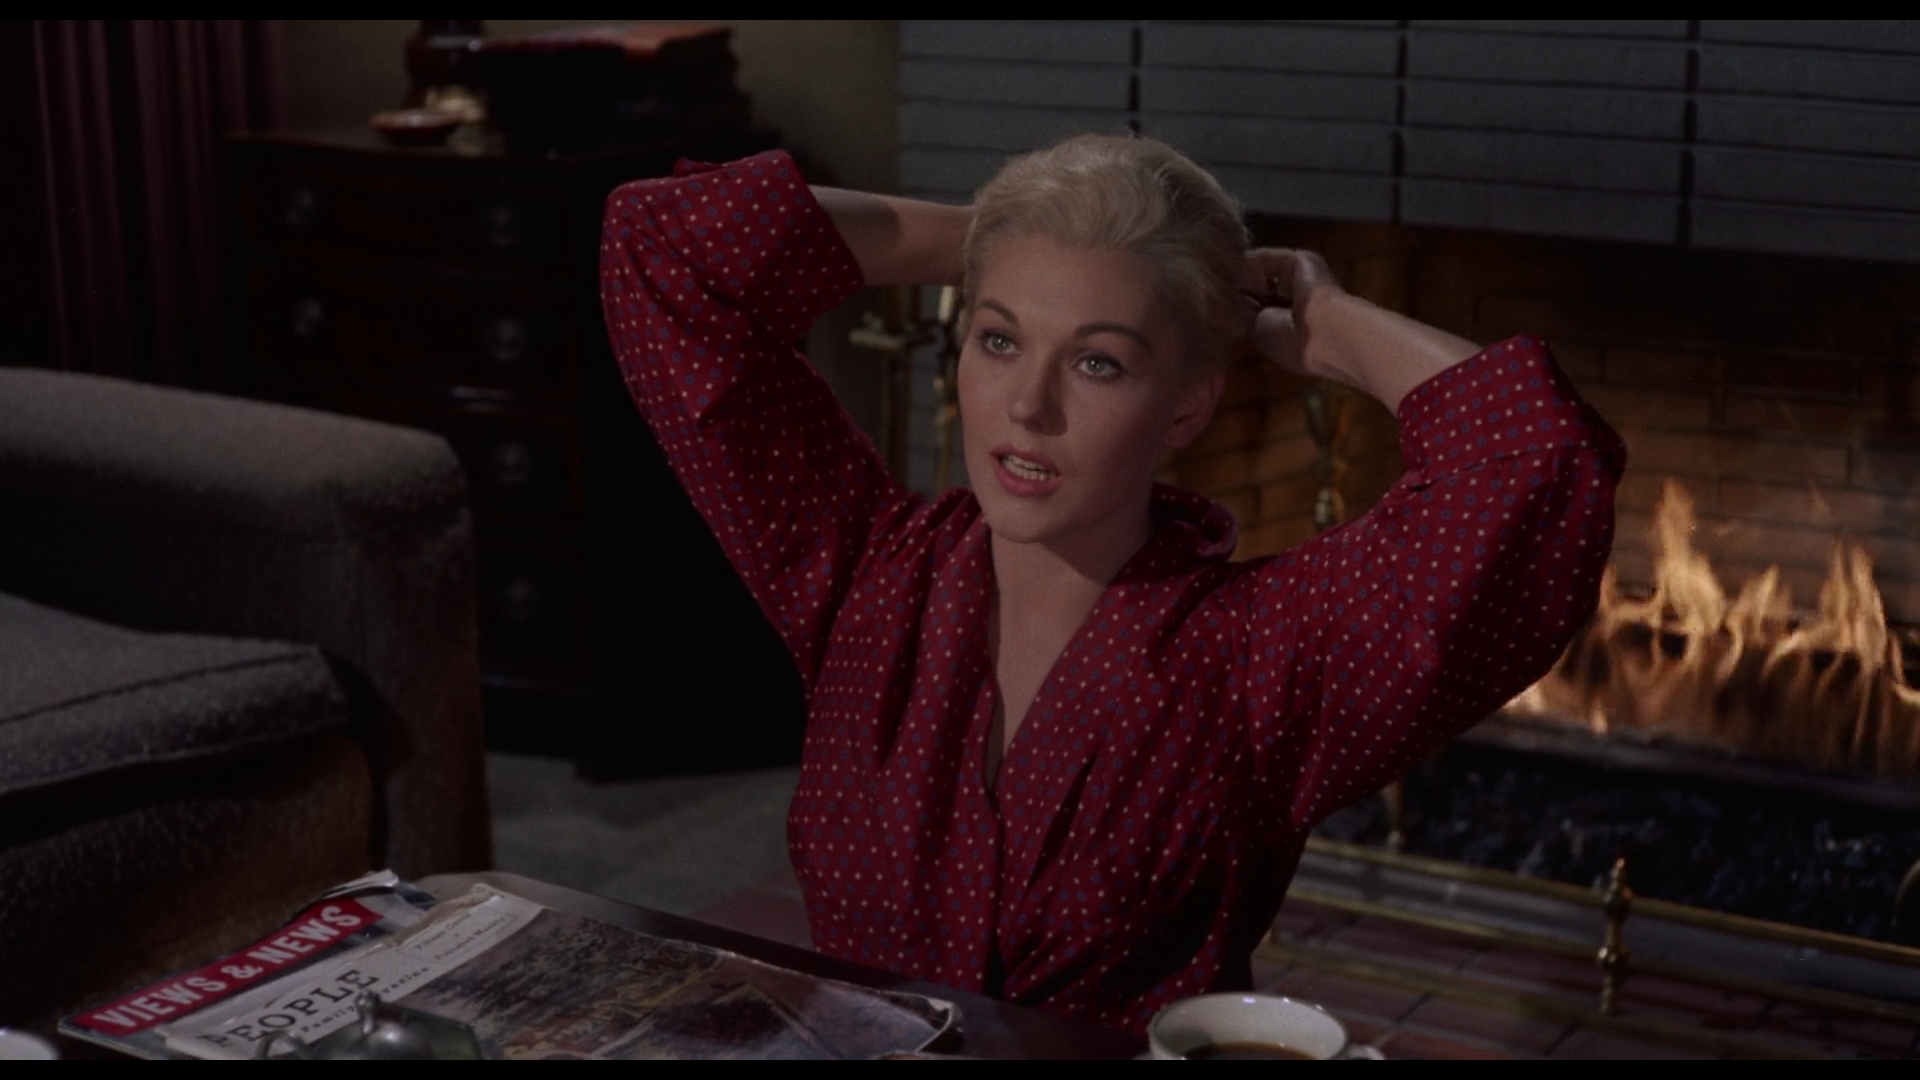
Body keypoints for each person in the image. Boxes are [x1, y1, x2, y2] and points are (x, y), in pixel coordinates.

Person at [598, 135, 1622, 1034]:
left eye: (1098, 363)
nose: (1027, 406)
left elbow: (1542, 461)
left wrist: (1324, 323)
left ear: (1185, 410)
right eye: (1000, 339)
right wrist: (998, 239)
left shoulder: (1259, 660)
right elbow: (662, 245)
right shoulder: (865, 574)